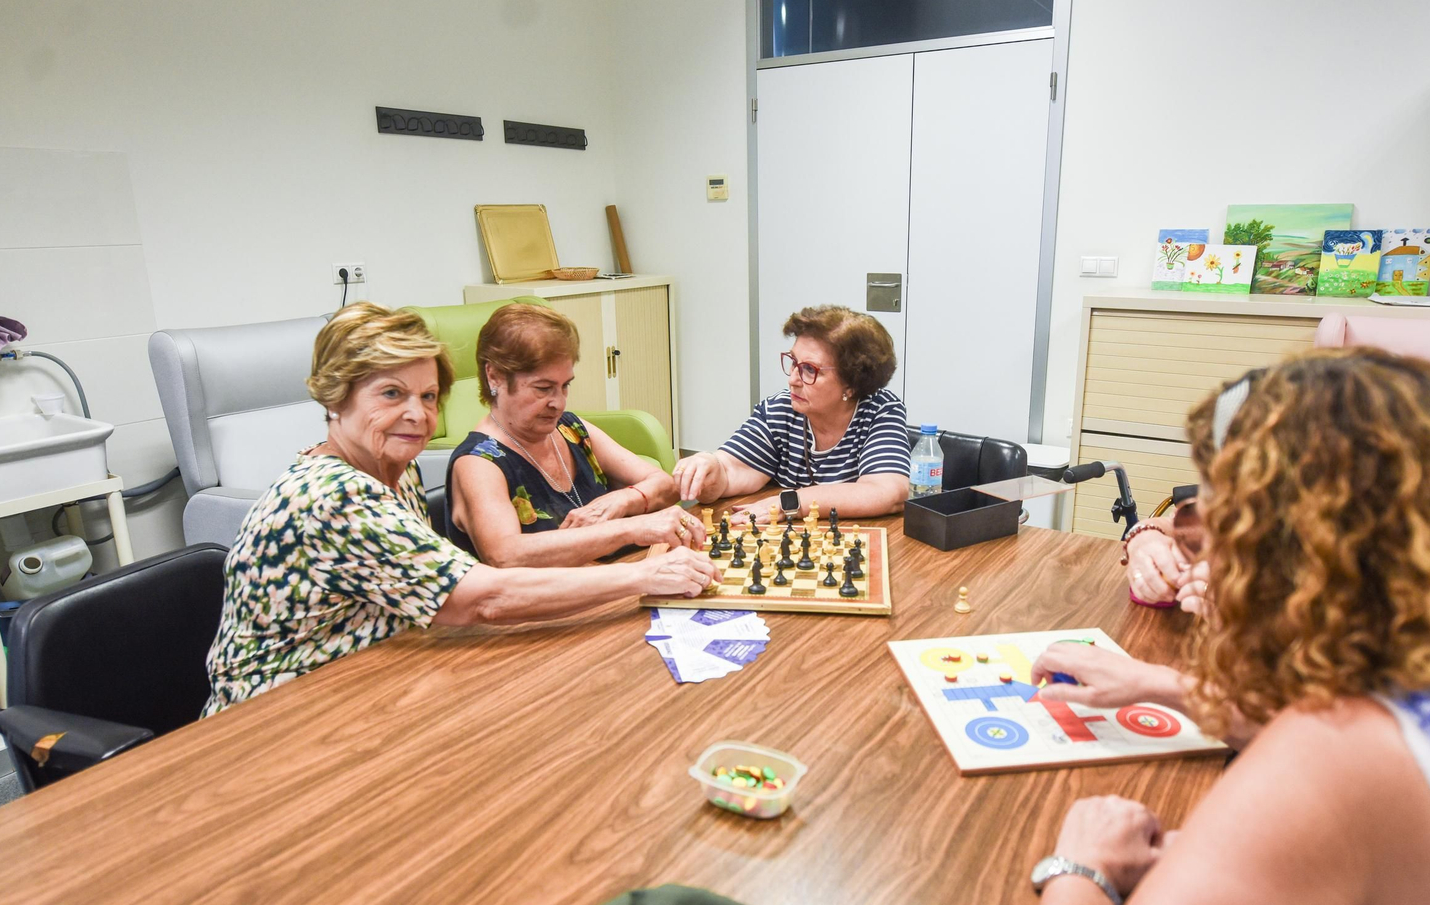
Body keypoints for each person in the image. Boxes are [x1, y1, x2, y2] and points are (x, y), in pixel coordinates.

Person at [1016, 349, 1430, 905]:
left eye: (1210, 525)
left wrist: (1083, 866)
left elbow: (1332, 777)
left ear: (1280, 548)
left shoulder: (1333, 762)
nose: (1197, 546)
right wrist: (1158, 684)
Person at [203, 303, 717, 716]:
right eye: (391, 394)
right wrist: (642, 577)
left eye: (428, 396)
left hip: (371, 683)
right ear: (336, 398)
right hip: (273, 719)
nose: (416, 414)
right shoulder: (334, 494)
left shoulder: (395, 469)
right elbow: (483, 597)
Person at [446, 303, 704, 566]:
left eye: (565, 386)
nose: (559, 403)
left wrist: (622, 500)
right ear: (495, 376)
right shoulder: (478, 462)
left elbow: (665, 485)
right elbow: (506, 554)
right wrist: (629, 529)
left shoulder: (570, 429)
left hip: (621, 575)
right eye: (543, 388)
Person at [672, 305, 910, 523]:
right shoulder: (781, 408)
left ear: (851, 384)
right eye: (793, 362)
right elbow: (732, 470)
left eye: (809, 369)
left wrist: (790, 503)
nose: (793, 379)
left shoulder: (880, 410)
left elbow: (888, 492)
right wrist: (709, 468)